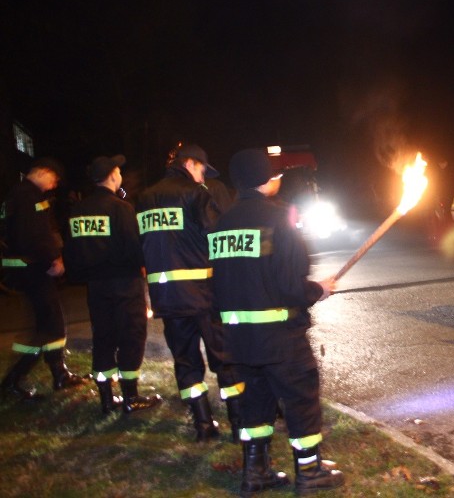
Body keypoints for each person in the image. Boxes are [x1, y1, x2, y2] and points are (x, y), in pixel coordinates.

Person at [209, 148, 343, 495]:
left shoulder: (221, 223)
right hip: (280, 336)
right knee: (301, 400)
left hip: (239, 340)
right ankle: (310, 472)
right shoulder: (280, 218)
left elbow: (219, 283)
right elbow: (288, 285)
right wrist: (318, 289)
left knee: (255, 403)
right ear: (265, 179)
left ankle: (256, 472)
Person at [135, 143, 243, 442]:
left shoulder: (144, 198)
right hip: (203, 294)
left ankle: (203, 425)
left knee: (185, 360)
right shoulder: (196, 194)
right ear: (192, 164)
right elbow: (217, 237)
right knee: (224, 357)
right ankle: (238, 421)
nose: (203, 177)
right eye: (202, 171)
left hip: (167, 298)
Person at [64, 155, 162, 415]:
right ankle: (131, 397)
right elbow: (133, 248)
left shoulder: (78, 210)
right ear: (111, 176)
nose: (120, 175)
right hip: (124, 284)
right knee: (131, 336)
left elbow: (72, 252)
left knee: (104, 337)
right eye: (118, 171)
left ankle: (106, 399)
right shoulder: (121, 208)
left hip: (96, 287)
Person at [0, 157, 88, 400]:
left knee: (48, 323)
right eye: (54, 179)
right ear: (43, 172)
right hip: (35, 269)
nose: (54, 185)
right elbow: (36, 235)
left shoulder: (14, 194)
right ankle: (13, 379)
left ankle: (59, 373)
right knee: (49, 325)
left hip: (22, 269)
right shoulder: (31, 196)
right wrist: (53, 259)